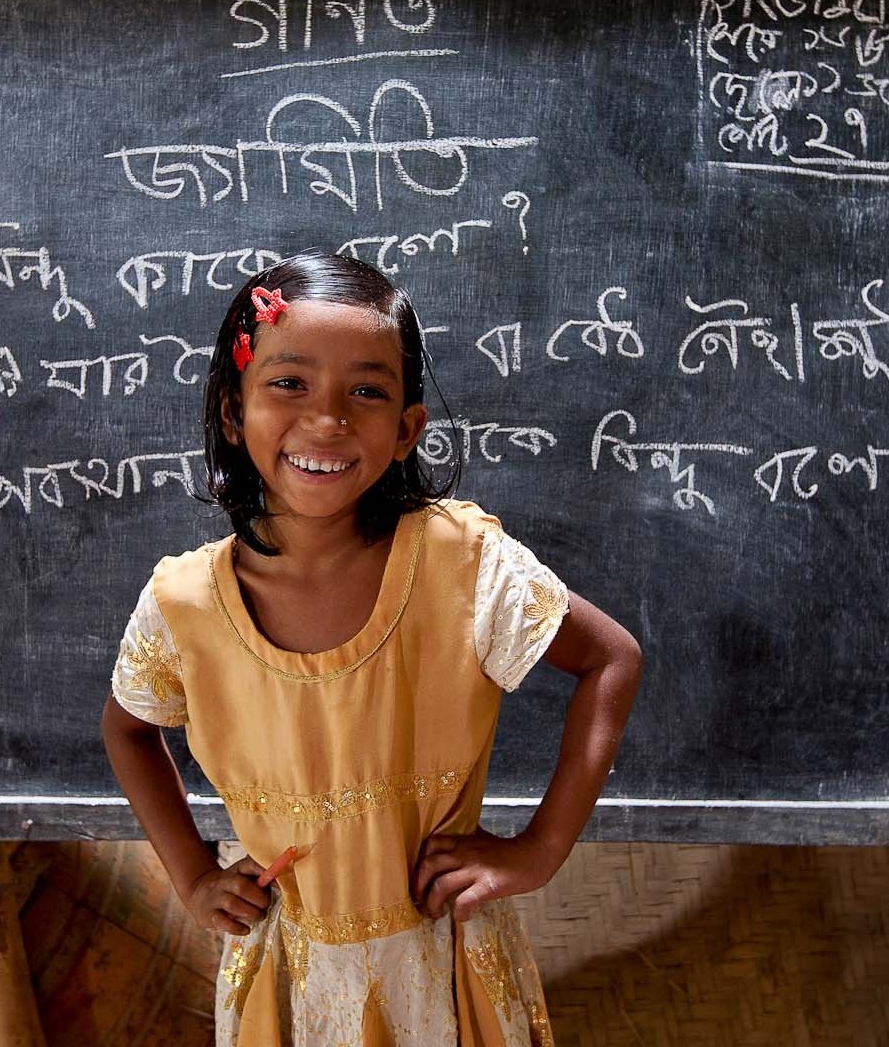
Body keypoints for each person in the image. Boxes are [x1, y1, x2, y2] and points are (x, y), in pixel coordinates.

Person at [102, 254, 641, 1046]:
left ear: (406, 430)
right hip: (287, 975)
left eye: (367, 391)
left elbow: (611, 658)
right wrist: (190, 875)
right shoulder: (184, 604)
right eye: (288, 383)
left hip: (445, 963)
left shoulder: (461, 563)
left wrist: (541, 848)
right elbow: (127, 727)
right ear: (231, 411)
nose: (327, 420)